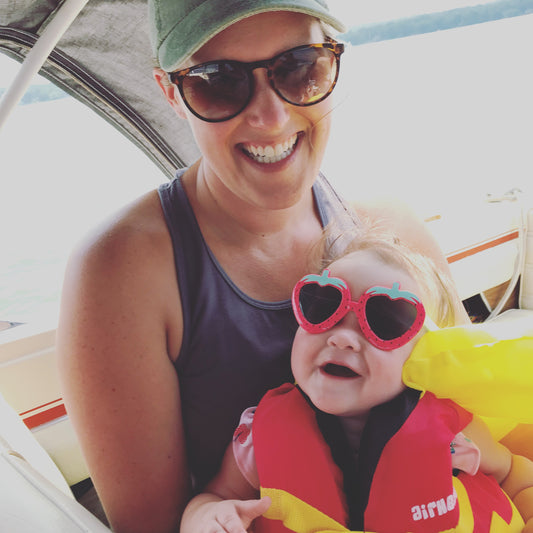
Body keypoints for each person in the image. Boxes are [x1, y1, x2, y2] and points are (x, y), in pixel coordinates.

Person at [56, 1, 470, 532]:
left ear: (333, 66)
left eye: (300, 68)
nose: (271, 116)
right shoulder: (121, 272)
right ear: (171, 94)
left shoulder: (394, 231)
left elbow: (476, 408)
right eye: (217, 82)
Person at [180, 235, 533, 533]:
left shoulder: (455, 437)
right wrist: (208, 518)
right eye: (323, 305)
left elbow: (515, 474)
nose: (343, 338)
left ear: (422, 354)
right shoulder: (261, 436)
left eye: (386, 320)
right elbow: (215, 495)